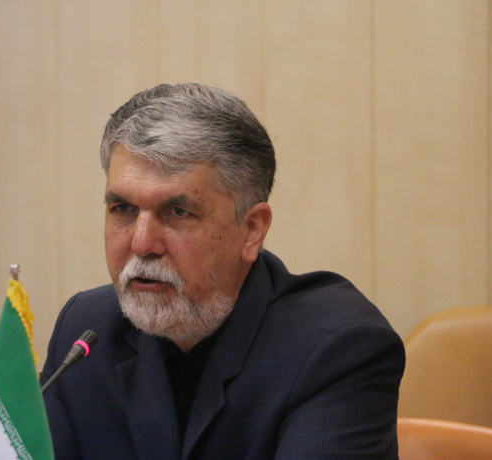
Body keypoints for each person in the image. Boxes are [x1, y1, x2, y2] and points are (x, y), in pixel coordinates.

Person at [40, 83, 405, 459]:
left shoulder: (334, 350)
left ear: (252, 230)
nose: (142, 243)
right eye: (123, 209)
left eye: (178, 212)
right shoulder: (86, 332)